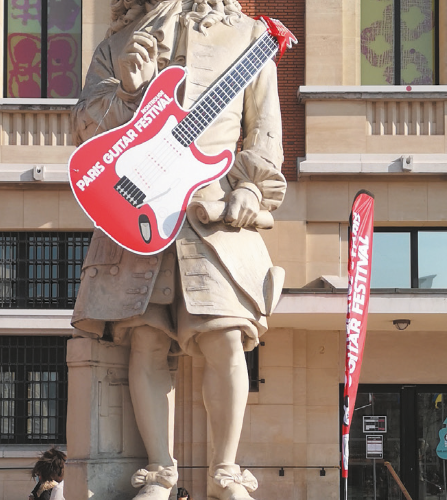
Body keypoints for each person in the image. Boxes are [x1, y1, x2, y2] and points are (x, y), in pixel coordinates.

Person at [70, 0, 287, 499]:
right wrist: (126, 91)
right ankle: (159, 472)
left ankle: (226, 473)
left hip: (209, 213)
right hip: (138, 212)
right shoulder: (119, 41)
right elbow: (84, 129)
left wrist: (250, 190)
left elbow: (265, 132)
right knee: (145, 340)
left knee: (225, 338)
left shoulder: (253, 39)